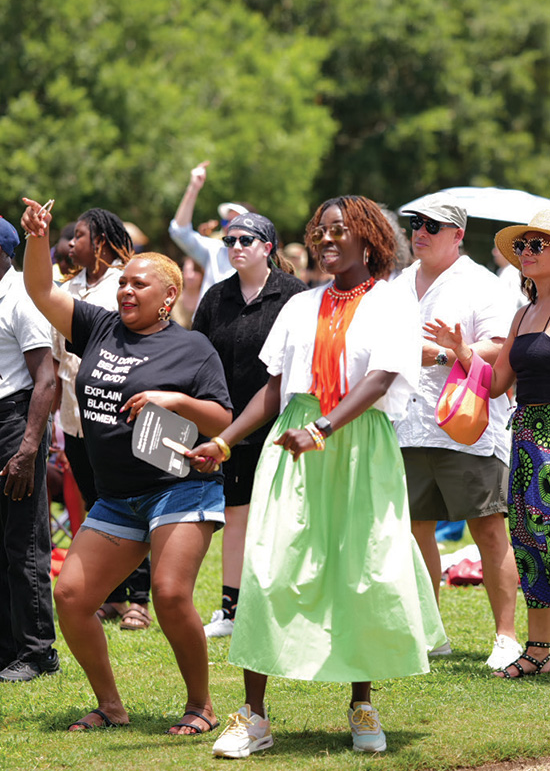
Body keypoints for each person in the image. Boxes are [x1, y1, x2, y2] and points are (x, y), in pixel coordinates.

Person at [189, 196, 444, 757]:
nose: (326, 240)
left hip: (357, 442)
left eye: (339, 230)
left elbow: (380, 379)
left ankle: (361, 702)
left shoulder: (394, 302)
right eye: (319, 232)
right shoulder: (300, 306)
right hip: (296, 440)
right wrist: (224, 441)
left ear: (369, 239)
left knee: (362, 572)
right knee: (270, 569)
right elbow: (275, 389)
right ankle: (254, 716)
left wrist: (323, 427)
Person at [21, 197, 232, 733]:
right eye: (123, 284)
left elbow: (220, 416)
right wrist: (39, 238)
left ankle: (201, 704)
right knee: (71, 596)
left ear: (168, 297)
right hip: (117, 493)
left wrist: (175, 401)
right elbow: (41, 290)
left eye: (139, 285)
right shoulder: (99, 327)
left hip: (178, 487)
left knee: (168, 592)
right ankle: (111, 706)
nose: (125, 291)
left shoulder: (193, 348)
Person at [394, 192, 521, 669]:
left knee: (488, 529)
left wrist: (449, 352)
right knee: (415, 529)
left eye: (432, 225)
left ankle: (506, 636)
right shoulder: (398, 282)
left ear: (458, 236)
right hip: (406, 424)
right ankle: (430, 632)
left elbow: (500, 347)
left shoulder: (482, 284)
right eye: (416, 224)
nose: (420, 232)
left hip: (466, 425)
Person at [426, 209, 550, 678]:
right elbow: (497, 383)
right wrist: (461, 353)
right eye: (523, 246)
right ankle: (539, 650)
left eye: (538, 244)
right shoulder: (523, 313)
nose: (527, 253)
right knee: (532, 543)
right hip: (525, 437)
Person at [193, 214, 306, 636]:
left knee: (283, 517)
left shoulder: (295, 296)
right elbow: (197, 356)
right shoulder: (215, 298)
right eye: (229, 240)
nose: (236, 246)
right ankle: (232, 609)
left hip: (283, 423)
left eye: (246, 239)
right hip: (225, 424)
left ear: (268, 246)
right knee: (235, 514)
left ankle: (282, 605)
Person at [53, 209, 152, 630]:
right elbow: (57, 361)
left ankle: (139, 600)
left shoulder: (124, 284)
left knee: (132, 502)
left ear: (102, 242)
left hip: (118, 416)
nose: (70, 244)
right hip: (75, 420)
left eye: (79, 236)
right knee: (97, 507)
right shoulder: (67, 288)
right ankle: (110, 596)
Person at [0, 216, 59, 682]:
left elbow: (46, 378)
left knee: (24, 539)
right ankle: (8, 647)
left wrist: (27, 448)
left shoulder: (21, 298)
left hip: (16, 422)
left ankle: (39, 651)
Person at [169, 161, 255, 302]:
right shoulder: (215, 250)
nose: (229, 226)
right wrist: (193, 188)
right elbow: (180, 232)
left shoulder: (260, 258)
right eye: (226, 221)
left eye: (236, 221)